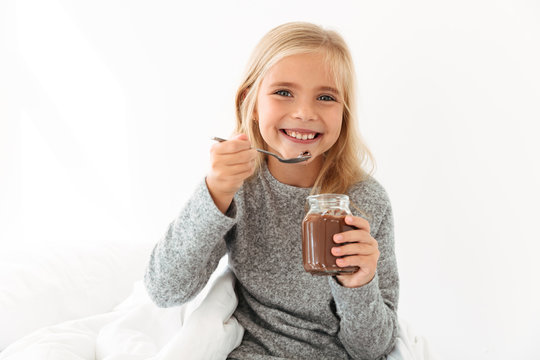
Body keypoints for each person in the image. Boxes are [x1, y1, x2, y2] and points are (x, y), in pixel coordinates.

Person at [144, 21, 399, 360]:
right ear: (250, 98)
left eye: (325, 97)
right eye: (283, 92)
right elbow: (165, 290)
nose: (305, 113)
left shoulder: (367, 201)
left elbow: (373, 349)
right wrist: (215, 194)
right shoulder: (239, 187)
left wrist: (359, 284)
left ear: (344, 112)